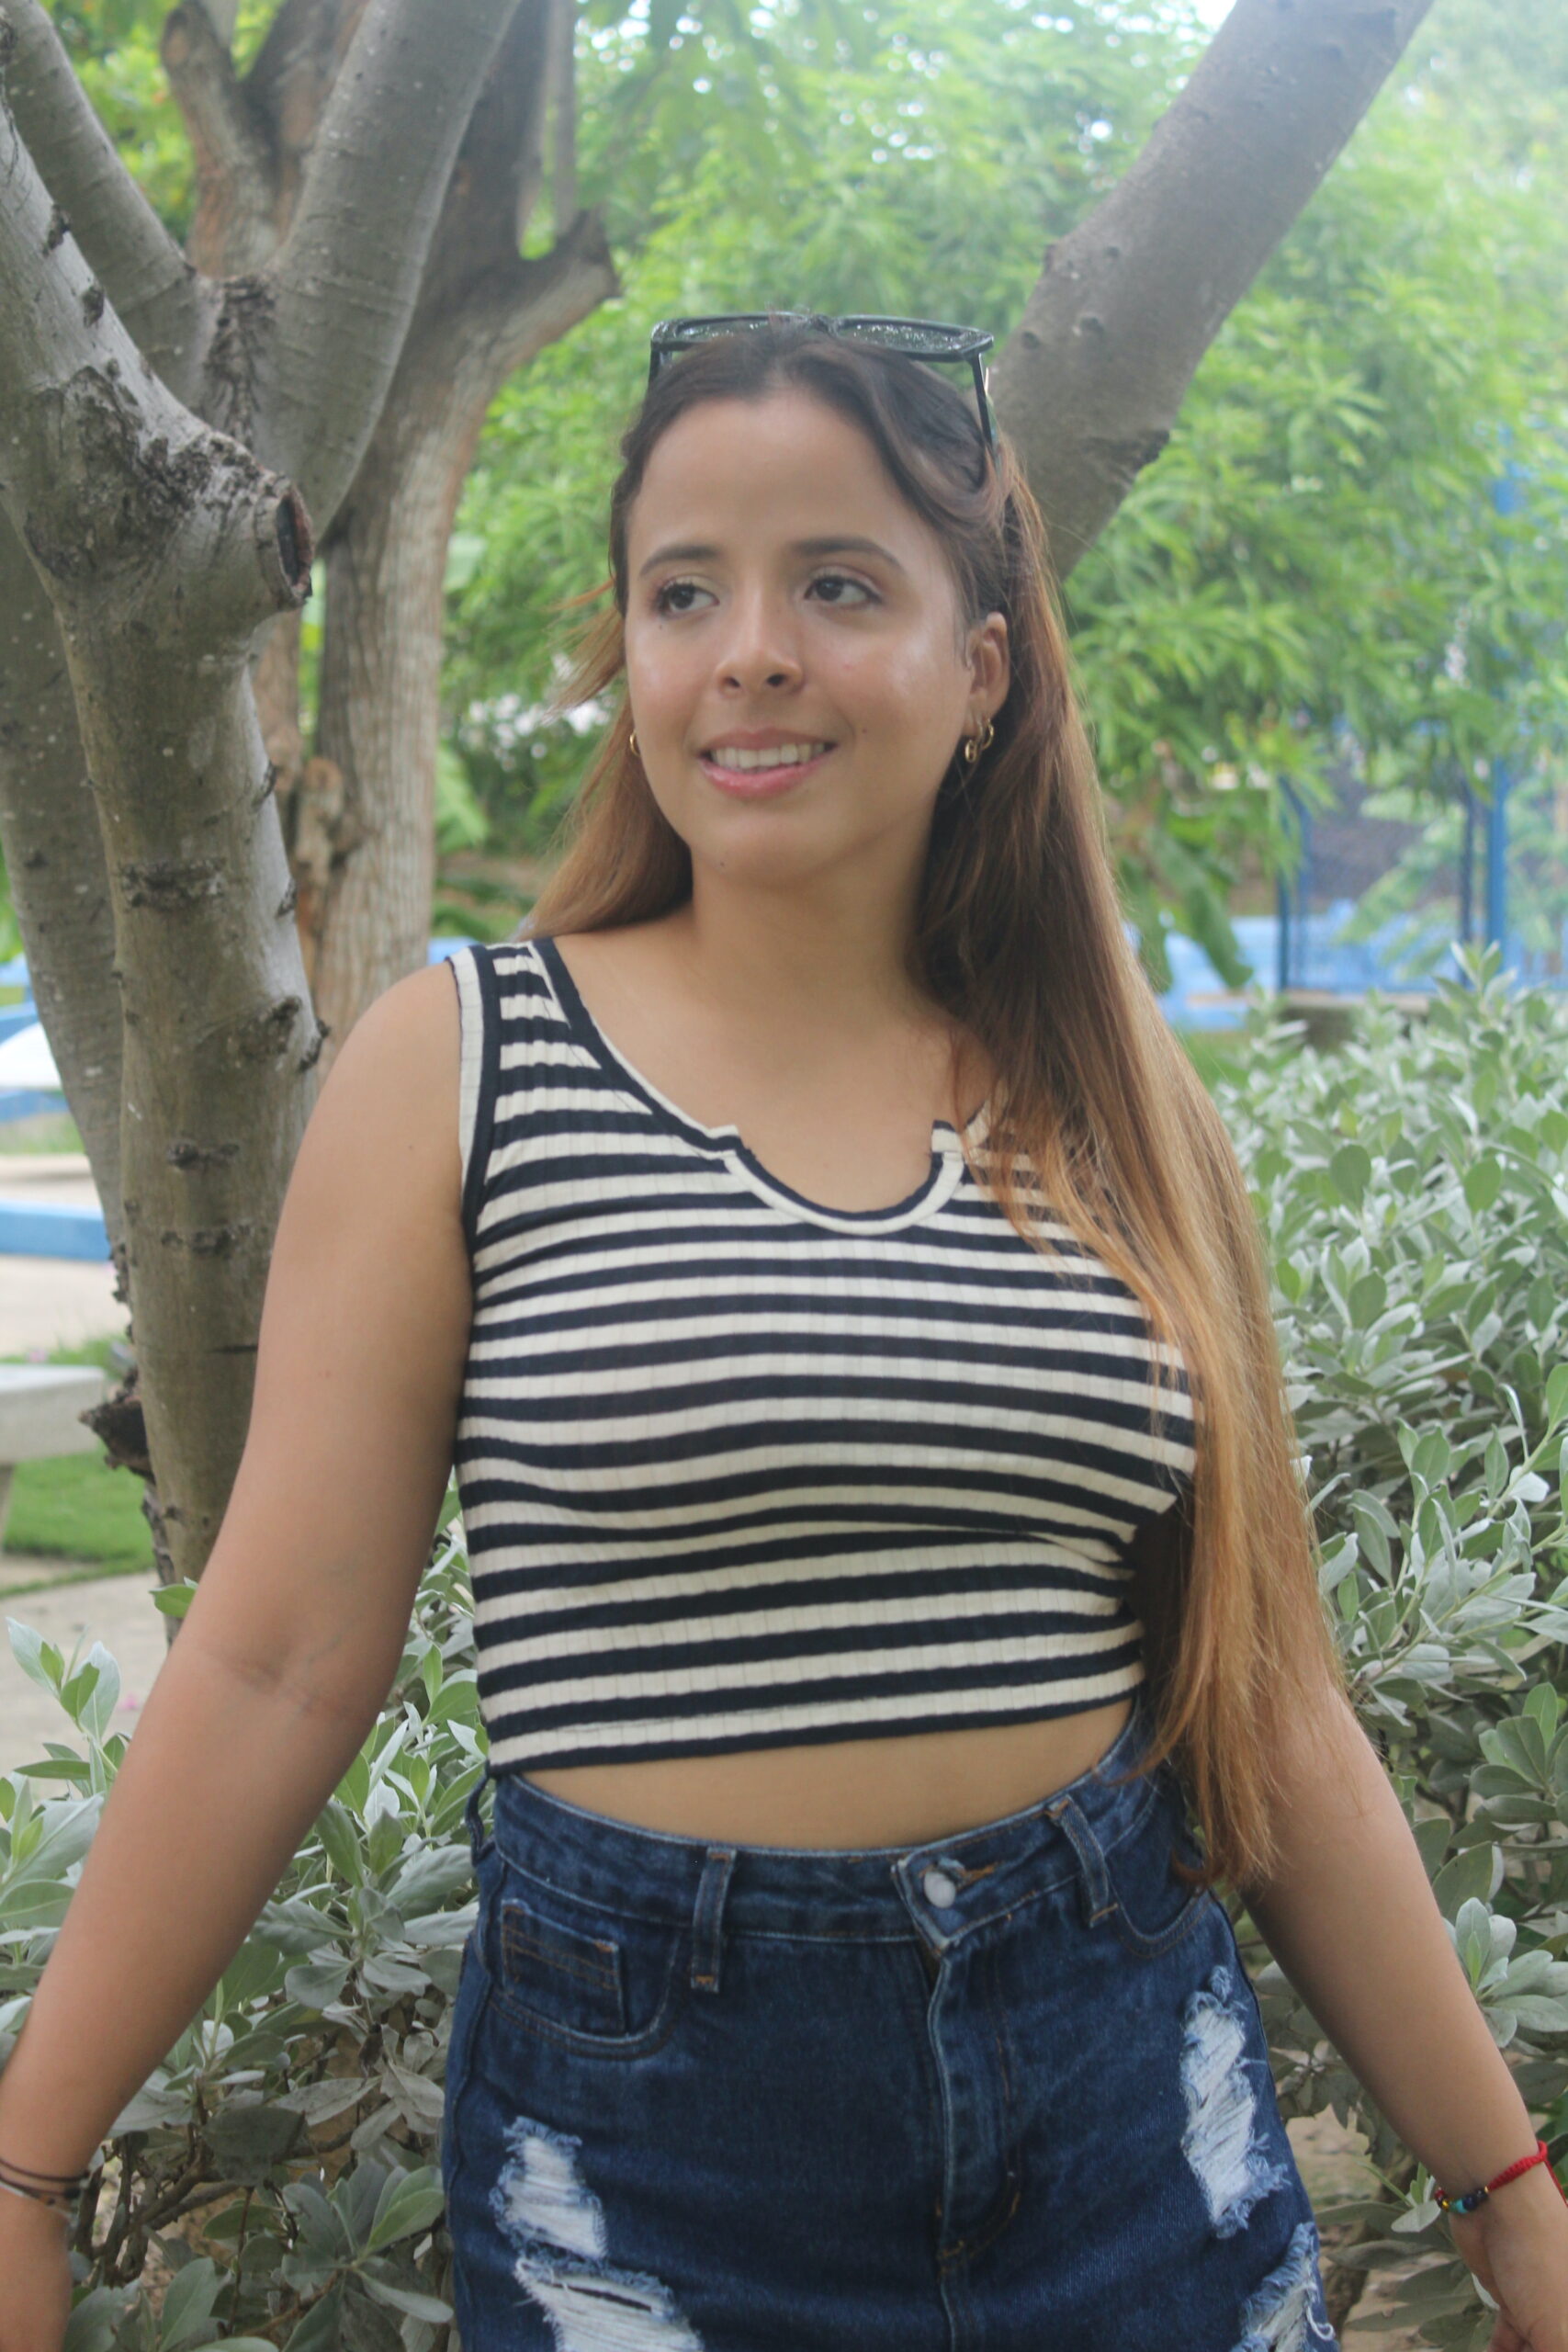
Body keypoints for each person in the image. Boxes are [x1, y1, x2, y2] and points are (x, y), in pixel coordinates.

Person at [1, 312, 1564, 2349]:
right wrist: (28, 2168)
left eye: (837, 584)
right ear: (629, 661)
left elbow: (1266, 1696)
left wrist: (1508, 2195)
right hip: (644, 2165)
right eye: (684, 592)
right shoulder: (467, 1066)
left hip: (1127, 2116)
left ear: (980, 669)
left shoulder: (1122, 1102)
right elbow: (279, 1655)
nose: (748, 651)